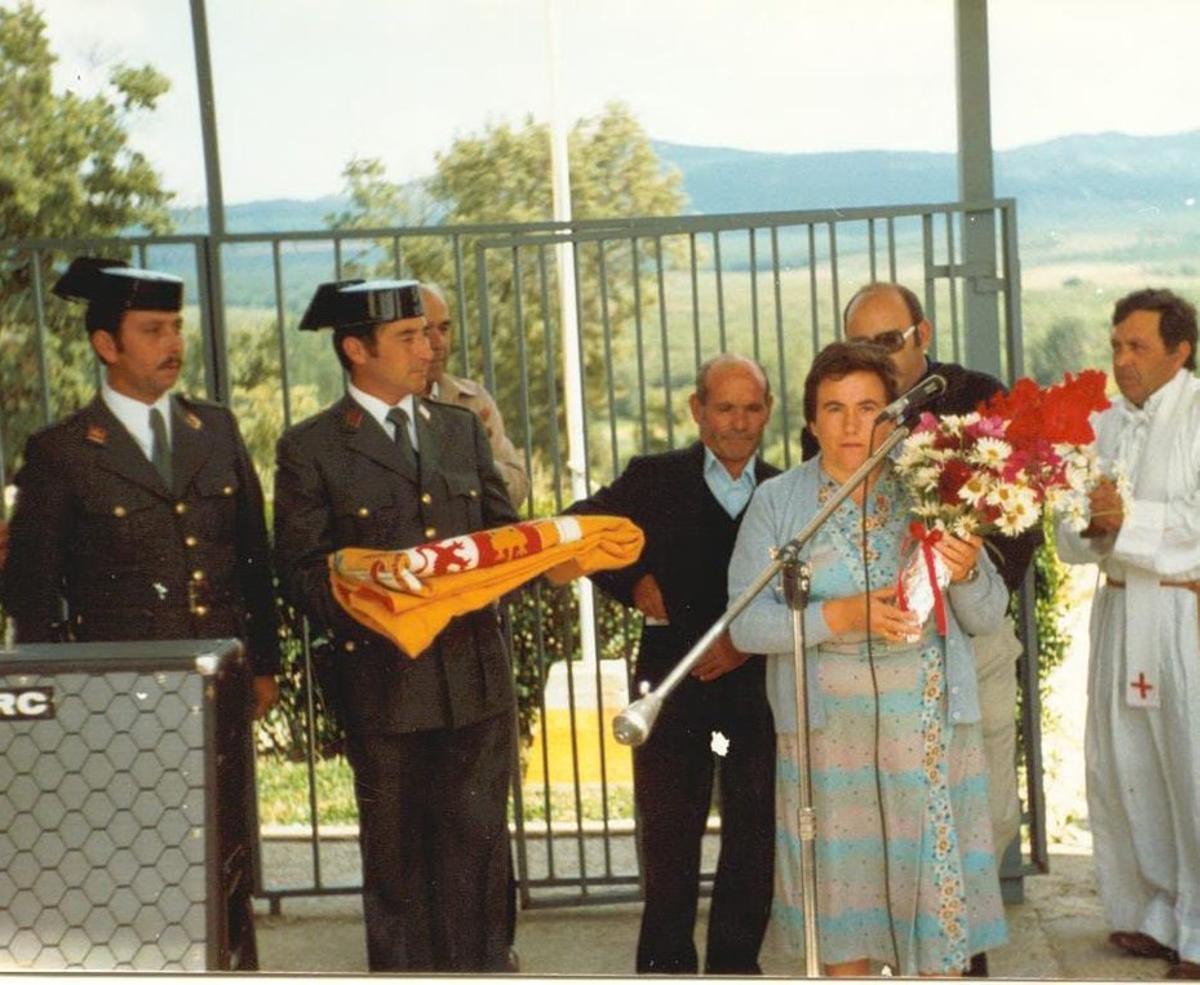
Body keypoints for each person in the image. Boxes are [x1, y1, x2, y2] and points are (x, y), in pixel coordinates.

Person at [1, 255, 281, 968]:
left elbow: (254, 561)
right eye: (152, 329)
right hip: (116, 707)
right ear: (106, 345)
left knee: (227, 867)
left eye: (178, 327)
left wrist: (265, 665)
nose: (173, 344)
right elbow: (33, 596)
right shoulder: (61, 453)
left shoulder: (214, 431)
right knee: (133, 876)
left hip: (214, 694)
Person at [729, 341, 1009, 976]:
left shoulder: (934, 488)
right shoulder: (779, 503)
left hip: (929, 739)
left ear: (897, 417)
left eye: (869, 407)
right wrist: (842, 615)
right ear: (809, 421)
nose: (853, 425)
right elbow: (746, 623)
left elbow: (987, 616)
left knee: (938, 938)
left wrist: (964, 575)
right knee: (843, 938)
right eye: (834, 408)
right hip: (829, 747)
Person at [272, 278, 518, 973]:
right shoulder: (312, 448)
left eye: (428, 332)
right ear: (357, 349)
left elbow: (502, 534)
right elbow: (301, 571)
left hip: (475, 686)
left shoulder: (460, 428)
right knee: (400, 872)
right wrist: (381, 596)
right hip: (386, 690)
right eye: (408, 336)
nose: (428, 347)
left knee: (479, 863)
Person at [808, 282, 1038, 975]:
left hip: (972, 630)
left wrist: (961, 574)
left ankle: (961, 959)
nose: (878, 354)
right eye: (862, 341)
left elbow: (1022, 509)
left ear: (923, 332)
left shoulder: (979, 395)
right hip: (886, 647)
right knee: (891, 821)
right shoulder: (846, 411)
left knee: (984, 815)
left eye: (890, 340)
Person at [567, 353, 778, 974]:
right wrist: (631, 581)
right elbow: (581, 527)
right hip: (669, 685)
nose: (739, 423)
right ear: (697, 410)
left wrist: (746, 643)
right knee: (669, 843)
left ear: (767, 411)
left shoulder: (783, 488)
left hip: (755, 683)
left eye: (753, 407)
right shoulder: (653, 478)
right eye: (725, 407)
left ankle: (736, 969)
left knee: (754, 837)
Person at [1056, 288, 1200, 979]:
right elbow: (1066, 525)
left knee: (1191, 766)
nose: (1122, 360)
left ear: (1181, 349)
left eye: (1137, 346)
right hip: (1119, 607)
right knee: (1123, 764)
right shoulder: (1102, 424)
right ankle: (1148, 911)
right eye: (1116, 345)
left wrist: (1126, 519)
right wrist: (1093, 527)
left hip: (1181, 612)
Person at [420, 282, 530, 508]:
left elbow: (518, 491)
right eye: (424, 331)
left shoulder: (472, 398)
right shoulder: (385, 409)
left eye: (444, 329)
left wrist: (480, 462)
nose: (438, 343)